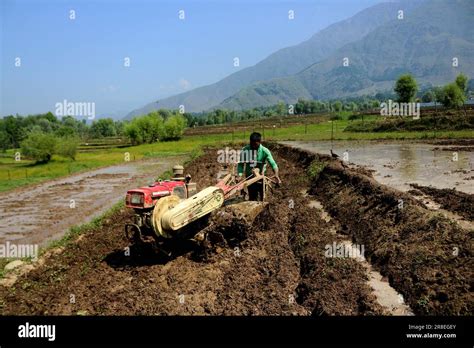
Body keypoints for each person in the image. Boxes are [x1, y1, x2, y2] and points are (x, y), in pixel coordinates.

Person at [237, 132, 281, 201]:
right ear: (250, 142)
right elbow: (240, 164)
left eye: (256, 145)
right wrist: (239, 175)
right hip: (250, 179)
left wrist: (276, 174)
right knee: (252, 197)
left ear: (260, 142)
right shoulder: (245, 150)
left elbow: (273, 164)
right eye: (252, 145)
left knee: (263, 197)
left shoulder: (265, 151)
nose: (254, 147)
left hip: (261, 178)